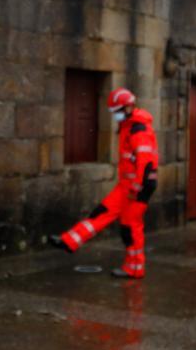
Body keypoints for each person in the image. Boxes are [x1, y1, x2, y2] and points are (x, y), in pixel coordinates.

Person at [48, 87, 158, 279]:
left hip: (137, 188)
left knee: (130, 227)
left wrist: (136, 188)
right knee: (103, 212)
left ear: (129, 107)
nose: (115, 115)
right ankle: (69, 241)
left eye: (117, 111)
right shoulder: (129, 126)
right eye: (114, 112)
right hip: (128, 186)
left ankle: (135, 267)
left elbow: (146, 162)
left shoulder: (138, 129)